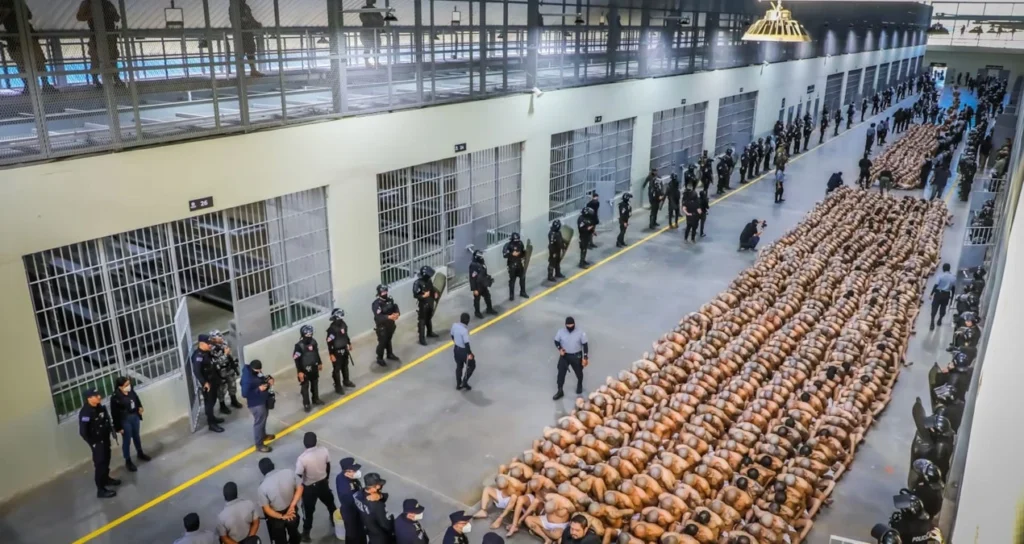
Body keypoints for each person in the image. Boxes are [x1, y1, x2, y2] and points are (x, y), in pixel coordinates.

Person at [0, 0, 57, 93]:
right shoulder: (5, 4)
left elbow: (29, 15)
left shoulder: (18, 3)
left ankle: (45, 84)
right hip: (15, 39)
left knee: (39, 62)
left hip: (28, 36)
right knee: (22, 64)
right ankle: (28, 86)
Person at [297, 432, 338, 542]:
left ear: (304, 443)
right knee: (330, 503)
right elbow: (328, 465)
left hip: (309, 488)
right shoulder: (324, 450)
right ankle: (335, 520)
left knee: (308, 512)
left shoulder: (302, 459)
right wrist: (326, 478)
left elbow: (299, 475)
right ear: (316, 441)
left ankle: (306, 533)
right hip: (323, 483)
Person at [79, 388, 120, 498]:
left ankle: (106, 479)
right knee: (100, 465)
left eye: (98, 394)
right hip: (97, 443)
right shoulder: (86, 413)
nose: (99, 397)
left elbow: (105, 421)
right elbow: (83, 432)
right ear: (89, 398)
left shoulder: (100, 407)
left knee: (106, 460)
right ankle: (100, 490)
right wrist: (93, 443)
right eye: (96, 396)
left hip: (105, 440)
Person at [76, 0, 123, 88]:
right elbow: (79, 17)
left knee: (113, 56)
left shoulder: (107, 3)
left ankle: (116, 77)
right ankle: (95, 79)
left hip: (110, 34)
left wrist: (111, 15)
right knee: (96, 56)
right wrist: (93, 14)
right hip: (96, 35)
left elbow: (117, 18)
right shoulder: (88, 3)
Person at [258, 457, 303, 544]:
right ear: (273, 465)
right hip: (292, 512)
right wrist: (292, 506)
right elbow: (300, 488)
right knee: (294, 534)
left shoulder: (262, 487)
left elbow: (267, 509)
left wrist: (282, 516)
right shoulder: (289, 472)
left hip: (276, 518)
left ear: (262, 471)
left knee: (280, 540)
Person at [109, 376, 150, 472]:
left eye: (129, 384)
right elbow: (114, 414)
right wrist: (118, 427)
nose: (129, 386)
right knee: (127, 440)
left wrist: (140, 407)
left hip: (134, 416)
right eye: (126, 385)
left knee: (136, 436)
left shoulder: (131, 391)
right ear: (120, 387)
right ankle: (128, 460)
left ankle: (140, 453)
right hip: (125, 420)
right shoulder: (115, 397)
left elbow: (136, 399)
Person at [191, 333, 225, 433]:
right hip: (208, 384)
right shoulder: (198, 356)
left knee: (213, 400)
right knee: (209, 403)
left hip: (213, 380)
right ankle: (211, 424)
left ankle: (212, 418)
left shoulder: (206, 351)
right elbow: (197, 372)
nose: (210, 345)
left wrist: (216, 341)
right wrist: (204, 383)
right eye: (208, 343)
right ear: (201, 343)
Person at [241, 359, 275, 453]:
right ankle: (259, 445)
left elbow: (261, 378)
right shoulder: (247, 379)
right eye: (257, 370)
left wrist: (269, 379)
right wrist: (258, 389)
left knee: (263, 419)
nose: (259, 372)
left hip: (263, 399)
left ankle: (263, 435)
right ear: (253, 368)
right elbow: (244, 394)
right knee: (259, 423)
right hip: (256, 404)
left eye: (260, 370)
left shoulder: (255, 372)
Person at [552, 316, 589, 400]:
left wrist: (585, 357)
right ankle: (560, 390)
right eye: (568, 326)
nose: (570, 328)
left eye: (572, 326)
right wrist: (560, 349)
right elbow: (556, 341)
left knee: (579, 372)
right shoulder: (561, 332)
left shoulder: (580, 332)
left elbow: (585, 344)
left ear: (574, 324)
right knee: (561, 373)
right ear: (565, 325)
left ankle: (579, 384)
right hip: (564, 355)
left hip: (576, 355)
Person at [354, 473, 395, 544]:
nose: (380, 486)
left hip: (369, 530)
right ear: (372, 488)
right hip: (381, 537)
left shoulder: (358, 495)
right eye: (378, 485)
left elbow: (385, 496)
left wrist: (380, 496)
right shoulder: (378, 505)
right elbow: (385, 525)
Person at [227, 0, 263, 77]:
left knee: (251, 51)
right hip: (240, 34)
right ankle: (241, 71)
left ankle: (253, 70)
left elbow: (250, 18)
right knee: (241, 52)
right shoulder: (234, 7)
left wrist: (256, 24)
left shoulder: (246, 7)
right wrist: (251, 23)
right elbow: (240, 20)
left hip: (248, 33)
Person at [293, 324, 323, 413]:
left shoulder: (313, 342)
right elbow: (297, 359)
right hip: (304, 370)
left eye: (311, 334)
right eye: (307, 334)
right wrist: (299, 371)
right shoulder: (299, 346)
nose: (309, 336)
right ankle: (306, 404)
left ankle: (316, 399)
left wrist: (319, 363)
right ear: (303, 334)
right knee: (305, 387)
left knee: (315, 384)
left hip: (314, 367)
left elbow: (316, 353)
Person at [336, 458, 368, 544]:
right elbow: (350, 502)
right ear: (347, 472)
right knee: (353, 535)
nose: (357, 472)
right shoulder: (345, 487)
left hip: (355, 511)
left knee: (360, 533)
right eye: (354, 470)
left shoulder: (349, 477)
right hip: (351, 513)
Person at [326, 308, 356, 394]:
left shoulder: (343, 324)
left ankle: (346, 381)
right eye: (340, 315)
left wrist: (349, 343)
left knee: (345, 366)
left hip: (344, 349)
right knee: (337, 369)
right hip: (336, 351)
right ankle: (338, 386)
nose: (342, 317)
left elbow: (345, 335)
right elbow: (329, 342)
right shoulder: (332, 329)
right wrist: (331, 354)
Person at [372, 284, 400, 366]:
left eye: (386, 291)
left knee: (388, 340)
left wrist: (397, 313)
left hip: (391, 325)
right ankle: (379, 358)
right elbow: (378, 316)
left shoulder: (390, 300)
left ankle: (389, 354)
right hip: (382, 327)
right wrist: (388, 317)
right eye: (383, 292)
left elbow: (395, 307)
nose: (385, 293)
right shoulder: (376, 304)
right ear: (379, 293)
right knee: (382, 342)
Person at [412, 266, 441, 345]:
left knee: (428, 318)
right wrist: (423, 296)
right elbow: (415, 295)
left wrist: (435, 293)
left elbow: (431, 288)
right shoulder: (417, 283)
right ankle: (421, 339)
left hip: (430, 302)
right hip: (423, 304)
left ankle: (429, 332)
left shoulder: (428, 280)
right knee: (422, 321)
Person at [451, 313, 475, 390]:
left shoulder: (454, 325)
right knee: (472, 365)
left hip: (456, 349)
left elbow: (452, 336)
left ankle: (458, 384)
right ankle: (464, 381)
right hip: (464, 351)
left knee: (459, 366)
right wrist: (470, 354)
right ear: (467, 321)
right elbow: (466, 344)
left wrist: (456, 343)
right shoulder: (464, 331)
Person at [469, 249, 497, 316]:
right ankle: (477, 313)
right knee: (477, 299)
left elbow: (484, 273)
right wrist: (474, 289)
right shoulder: (473, 265)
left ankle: (489, 309)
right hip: (477, 286)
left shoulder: (482, 262)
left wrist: (488, 279)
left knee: (487, 296)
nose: (482, 257)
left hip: (483, 284)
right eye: (480, 256)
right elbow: (472, 278)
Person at [930, 263, 957, 331]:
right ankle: (940, 319)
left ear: (943, 268)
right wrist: (952, 298)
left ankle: (932, 322)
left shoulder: (940, 276)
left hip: (938, 294)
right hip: (946, 295)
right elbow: (953, 288)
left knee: (934, 307)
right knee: (943, 307)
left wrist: (931, 293)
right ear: (949, 269)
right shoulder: (953, 277)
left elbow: (936, 285)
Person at [502, 232, 529, 300]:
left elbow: (522, 253)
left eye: (517, 239)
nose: (516, 241)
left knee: (522, 278)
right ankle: (511, 295)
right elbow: (504, 255)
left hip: (519, 264)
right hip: (511, 265)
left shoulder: (520, 243)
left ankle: (522, 292)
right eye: (515, 240)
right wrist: (511, 254)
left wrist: (525, 254)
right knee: (512, 280)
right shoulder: (507, 245)